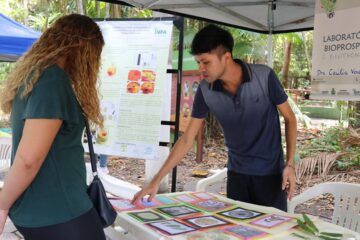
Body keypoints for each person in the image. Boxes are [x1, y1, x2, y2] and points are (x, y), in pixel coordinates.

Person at [132, 24, 297, 211]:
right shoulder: (205, 90)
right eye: (198, 63)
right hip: (236, 175)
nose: (200, 69)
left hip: (272, 176)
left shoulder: (264, 76)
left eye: (206, 62)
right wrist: (156, 181)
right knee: (238, 231)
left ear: (226, 57)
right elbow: (187, 139)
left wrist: (290, 165)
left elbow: (290, 119)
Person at [0, 14, 106, 240]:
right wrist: (2, 206)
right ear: (82, 48)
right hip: (60, 212)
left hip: (48, 210)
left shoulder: (35, 75)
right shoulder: (51, 80)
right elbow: (29, 159)